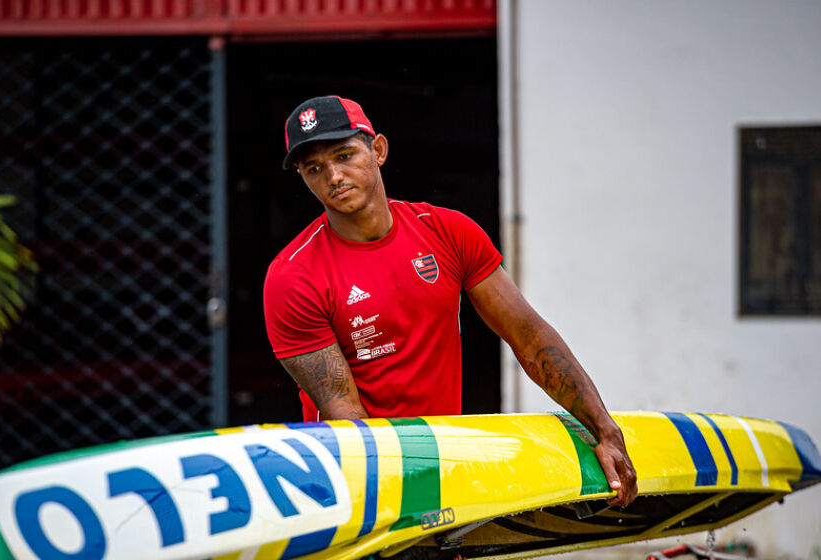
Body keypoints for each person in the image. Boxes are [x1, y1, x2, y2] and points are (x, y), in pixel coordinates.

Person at [264, 95, 637, 507]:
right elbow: (344, 412)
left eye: (344, 155)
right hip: (358, 485)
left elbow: (529, 337)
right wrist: (406, 501)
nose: (333, 176)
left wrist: (604, 430)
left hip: (446, 469)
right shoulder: (293, 276)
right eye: (314, 168)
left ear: (379, 150)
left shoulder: (447, 232)